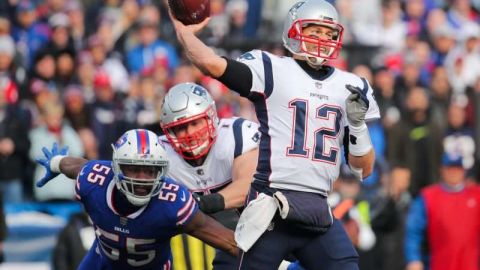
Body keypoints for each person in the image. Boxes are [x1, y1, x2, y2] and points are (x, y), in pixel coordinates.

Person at [169, 0, 380, 269]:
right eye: (314, 31)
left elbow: (365, 169)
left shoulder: (351, 85)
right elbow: (212, 64)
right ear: (293, 31)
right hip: (271, 206)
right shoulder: (272, 68)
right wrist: (185, 34)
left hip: (317, 211)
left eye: (329, 34)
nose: (322, 40)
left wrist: (358, 125)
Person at [35, 129, 239, 270]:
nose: (141, 179)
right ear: (116, 167)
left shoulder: (173, 203)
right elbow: (75, 166)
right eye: (133, 168)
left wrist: (266, 256)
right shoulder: (93, 182)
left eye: (150, 170)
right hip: (101, 263)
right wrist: (56, 162)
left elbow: (230, 243)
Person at [160, 82, 259, 270]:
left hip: (266, 232)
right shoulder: (162, 153)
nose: (189, 134)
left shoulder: (235, 135)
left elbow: (246, 187)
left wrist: (198, 204)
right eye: (180, 128)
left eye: (194, 123)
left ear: (211, 116)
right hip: (223, 243)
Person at [404, 153, 480, 270]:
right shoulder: (428, 197)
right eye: (450, 169)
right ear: (442, 170)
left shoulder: (476, 195)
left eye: (457, 169)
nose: (453, 173)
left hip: (470, 264)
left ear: (463, 171)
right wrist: (413, 259)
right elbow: (413, 231)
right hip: (439, 264)